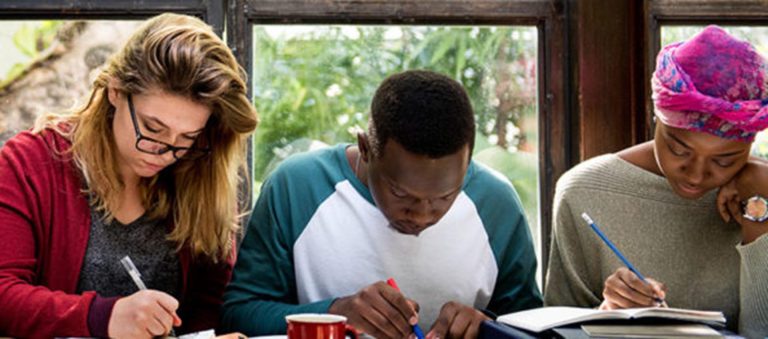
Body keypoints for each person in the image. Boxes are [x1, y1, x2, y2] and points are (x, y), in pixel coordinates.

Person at [221, 70, 542, 338]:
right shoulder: (298, 187)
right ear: (365, 148)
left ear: (469, 159)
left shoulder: (495, 202)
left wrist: (487, 327)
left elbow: (533, 325)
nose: (421, 215)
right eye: (401, 194)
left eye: (445, 197)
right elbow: (237, 317)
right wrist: (335, 314)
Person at [0, 13, 258, 338]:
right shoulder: (30, 163)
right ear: (116, 91)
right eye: (152, 128)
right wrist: (103, 316)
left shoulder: (199, 169)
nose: (165, 151)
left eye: (187, 137)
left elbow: (210, 306)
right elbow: (3, 295)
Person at [544, 25, 768, 338]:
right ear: (656, 117)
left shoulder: (762, 190)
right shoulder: (585, 192)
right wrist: (607, 316)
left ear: (751, 144)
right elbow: (552, 331)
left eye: (724, 161)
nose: (695, 174)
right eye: (679, 149)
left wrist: (760, 209)